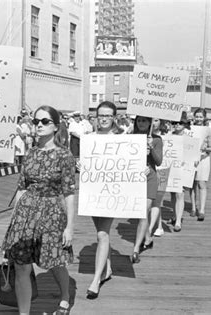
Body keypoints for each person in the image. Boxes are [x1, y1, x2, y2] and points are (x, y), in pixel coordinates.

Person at [1, 105, 76, 314]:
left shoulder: (64, 156)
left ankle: (65, 294)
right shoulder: (31, 153)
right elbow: (22, 187)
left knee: (53, 261)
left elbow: (69, 193)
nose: (39, 125)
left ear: (55, 126)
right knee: (22, 265)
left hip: (51, 213)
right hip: (25, 213)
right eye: (36, 121)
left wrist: (70, 227)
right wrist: (13, 222)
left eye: (45, 121)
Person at [85, 101, 123, 299]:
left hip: (111, 192)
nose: (104, 118)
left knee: (102, 234)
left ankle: (95, 280)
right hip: (93, 191)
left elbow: (128, 165)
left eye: (108, 115)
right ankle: (107, 269)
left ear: (114, 117)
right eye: (101, 115)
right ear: (96, 117)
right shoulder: (89, 138)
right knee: (101, 232)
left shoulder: (121, 139)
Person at [130, 116, 163, 264]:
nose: (141, 123)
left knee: (143, 212)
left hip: (150, 177)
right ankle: (148, 238)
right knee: (139, 213)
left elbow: (159, 161)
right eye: (139, 121)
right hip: (135, 178)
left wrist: (151, 149)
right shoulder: (130, 138)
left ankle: (136, 249)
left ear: (150, 122)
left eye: (144, 121)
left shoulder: (156, 139)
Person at [189, 108, 211, 221]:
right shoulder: (189, 129)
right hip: (191, 158)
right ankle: (194, 207)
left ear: (204, 117)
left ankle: (202, 210)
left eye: (201, 116)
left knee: (201, 183)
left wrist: (206, 148)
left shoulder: (208, 130)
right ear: (194, 117)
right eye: (197, 116)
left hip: (203, 159)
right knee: (192, 184)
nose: (198, 118)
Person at [168, 113, 191, 232]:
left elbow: (193, 156)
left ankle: (178, 220)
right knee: (172, 193)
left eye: (180, 123)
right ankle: (174, 214)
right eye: (174, 123)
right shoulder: (168, 137)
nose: (177, 125)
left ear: (185, 124)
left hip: (183, 169)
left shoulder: (189, 139)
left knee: (180, 194)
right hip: (171, 168)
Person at [150, 118, 169, 237]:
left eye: (156, 120)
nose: (153, 123)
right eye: (151, 120)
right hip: (153, 169)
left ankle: (156, 226)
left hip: (165, 168)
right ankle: (159, 226)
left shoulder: (166, 135)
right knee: (153, 200)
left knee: (157, 199)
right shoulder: (143, 135)